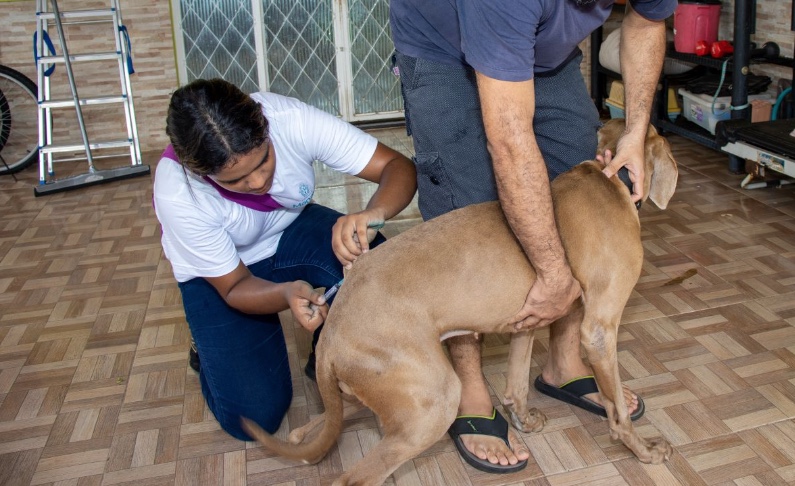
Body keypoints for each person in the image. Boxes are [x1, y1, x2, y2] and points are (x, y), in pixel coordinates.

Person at [390, 0, 677, 474]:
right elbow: (508, 140)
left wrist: (634, 131)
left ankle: (562, 365)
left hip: (545, 49)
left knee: (573, 197)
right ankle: (471, 393)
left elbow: (647, 23)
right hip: (443, 46)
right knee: (472, 216)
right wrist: (551, 274)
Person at [153, 78, 417, 440]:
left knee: (376, 268)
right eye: (236, 181)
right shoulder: (179, 192)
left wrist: (374, 214)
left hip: (290, 231)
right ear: (201, 173)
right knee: (256, 419)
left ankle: (328, 356)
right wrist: (287, 293)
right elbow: (235, 287)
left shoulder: (288, 118)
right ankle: (206, 346)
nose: (259, 180)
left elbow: (397, 167)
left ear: (264, 125)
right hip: (224, 276)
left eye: (264, 160)